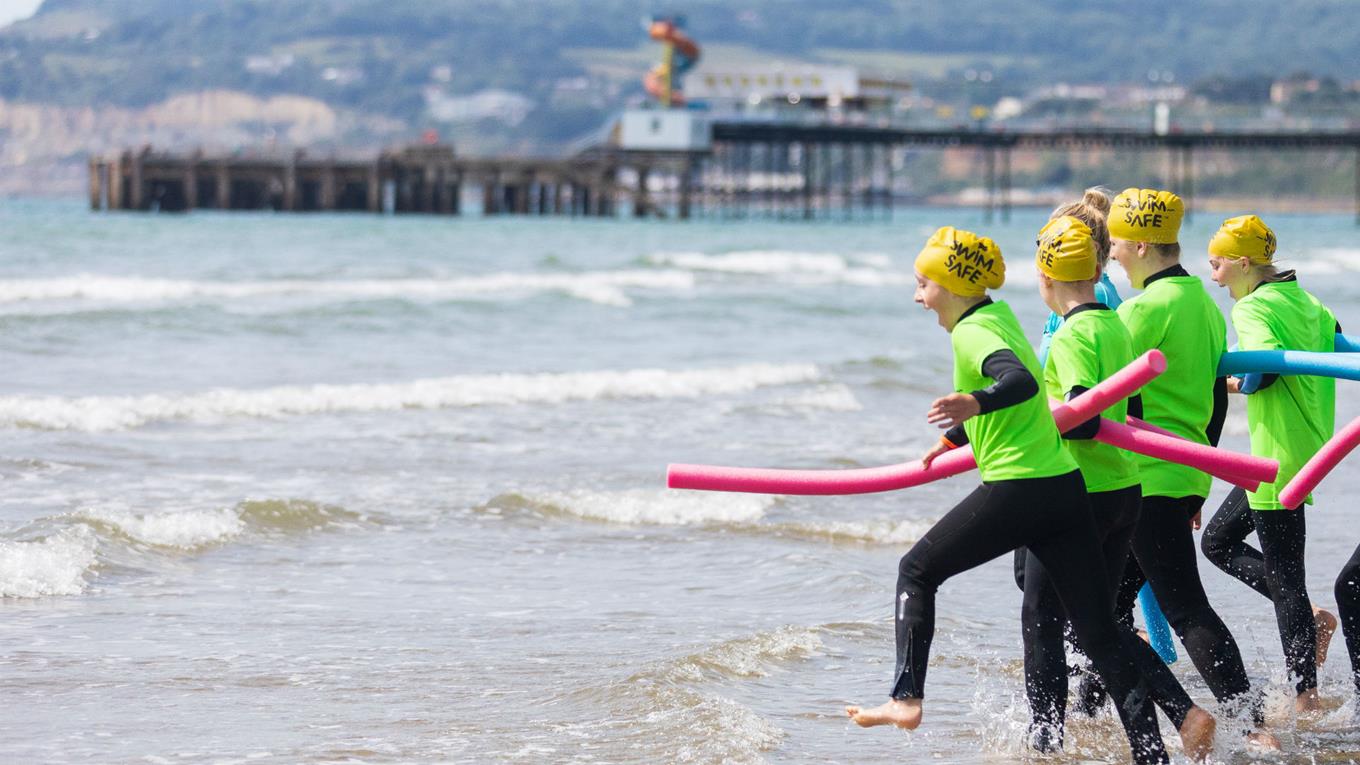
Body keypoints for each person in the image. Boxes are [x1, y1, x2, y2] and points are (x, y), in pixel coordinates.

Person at [846, 226, 1170, 765]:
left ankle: (905, 698)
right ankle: (1153, 756)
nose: (918, 297)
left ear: (949, 285)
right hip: (1064, 487)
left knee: (916, 571)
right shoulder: (997, 317)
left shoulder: (973, 333)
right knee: (1098, 634)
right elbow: (1030, 398)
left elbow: (1017, 382)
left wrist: (972, 404)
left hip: (1023, 487)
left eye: (922, 285)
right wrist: (955, 437)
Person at [1018, 208, 1215, 759]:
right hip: (1123, 486)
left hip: (1074, 489)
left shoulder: (1080, 330)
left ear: (1046, 277)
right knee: (1095, 623)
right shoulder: (1116, 320)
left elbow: (1084, 415)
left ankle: (1046, 745)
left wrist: (1035, 413)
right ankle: (1164, 730)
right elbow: (1128, 405)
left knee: (1045, 618)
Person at [1104, 189, 1277, 747]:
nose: (1111, 256)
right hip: (1180, 473)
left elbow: (1100, 393)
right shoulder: (1203, 302)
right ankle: (1125, 716)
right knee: (1103, 610)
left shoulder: (1144, 309)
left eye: (1114, 246)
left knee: (1183, 606)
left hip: (1143, 478)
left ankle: (1250, 730)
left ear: (1137, 243)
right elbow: (1215, 397)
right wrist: (1198, 477)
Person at [1200, 214, 1339, 713]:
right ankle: (1313, 618)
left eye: (1216, 263)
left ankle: (1306, 694)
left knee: (1284, 573)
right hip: (1305, 447)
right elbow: (1338, 340)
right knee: (1217, 541)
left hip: (1277, 453)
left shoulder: (1253, 307)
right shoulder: (1306, 299)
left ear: (1242, 262)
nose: (1212, 273)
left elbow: (1262, 371)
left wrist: (1235, 380)